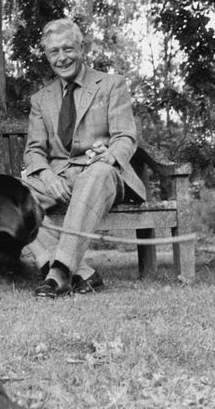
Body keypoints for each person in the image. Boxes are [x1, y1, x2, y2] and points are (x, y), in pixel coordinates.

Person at [22, 18, 146, 298]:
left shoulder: (111, 85)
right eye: (54, 51)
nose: (62, 57)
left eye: (68, 48)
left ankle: (59, 273)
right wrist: (48, 176)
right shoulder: (41, 99)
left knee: (96, 173)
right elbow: (33, 151)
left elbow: (126, 136)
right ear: (47, 55)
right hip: (59, 178)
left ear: (81, 48)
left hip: (102, 174)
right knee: (10, 194)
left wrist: (109, 156)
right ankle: (84, 274)